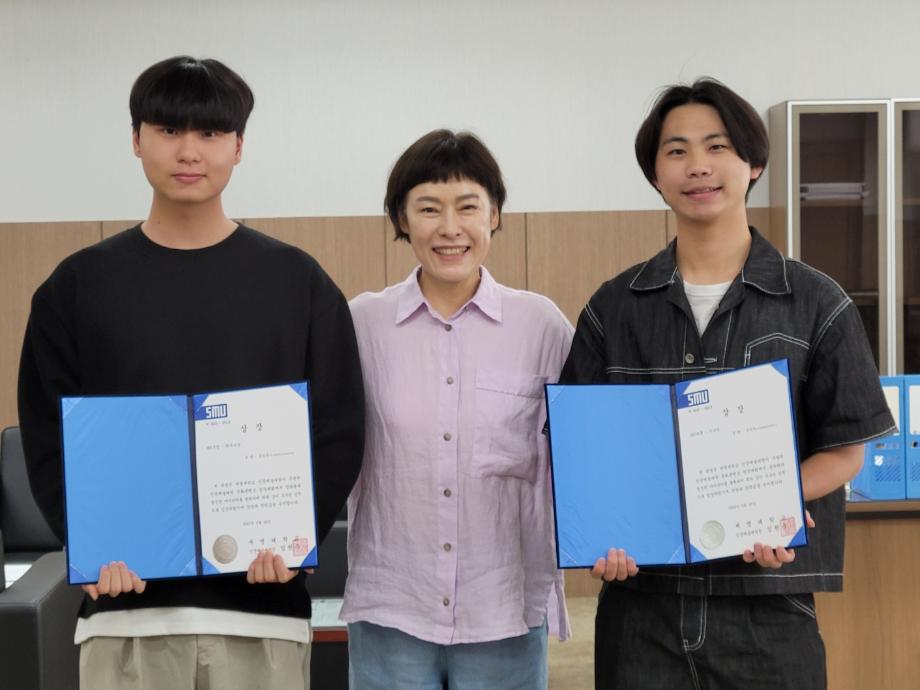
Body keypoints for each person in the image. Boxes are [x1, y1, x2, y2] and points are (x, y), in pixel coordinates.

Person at [17, 55, 364, 690]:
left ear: (239, 146)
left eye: (209, 132)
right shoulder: (76, 287)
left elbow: (338, 427)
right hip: (125, 616)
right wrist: (86, 544)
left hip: (263, 616)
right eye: (169, 129)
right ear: (136, 139)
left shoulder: (297, 283)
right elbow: (48, 435)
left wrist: (298, 539)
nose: (188, 151)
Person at [560, 78, 896, 689]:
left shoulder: (817, 302)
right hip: (641, 609)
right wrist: (601, 530)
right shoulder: (614, 307)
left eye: (717, 146)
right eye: (677, 150)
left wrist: (774, 501)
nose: (698, 166)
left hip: (767, 603)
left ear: (753, 163)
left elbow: (847, 449)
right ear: (656, 174)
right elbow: (582, 451)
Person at [341, 129, 572, 689]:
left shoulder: (541, 326)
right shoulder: (361, 324)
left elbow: (584, 452)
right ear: (401, 219)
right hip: (393, 604)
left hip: (504, 607)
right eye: (428, 208)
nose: (450, 228)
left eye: (468, 206)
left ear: (494, 214)